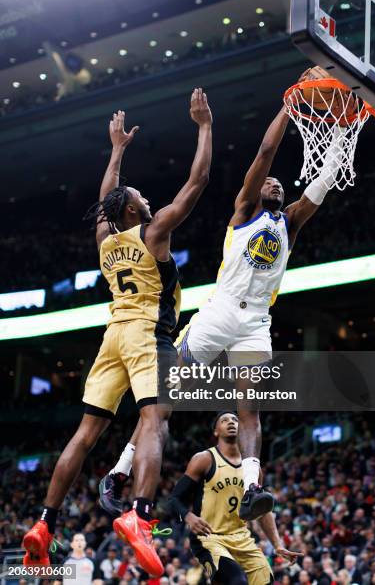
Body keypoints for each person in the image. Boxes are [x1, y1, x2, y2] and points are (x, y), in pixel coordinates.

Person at [102, 73, 344, 522]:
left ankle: (253, 487)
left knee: (249, 408)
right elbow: (266, 153)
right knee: (164, 397)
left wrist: (344, 127)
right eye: (268, 183)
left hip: (256, 323)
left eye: (279, 185)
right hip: (217, 314)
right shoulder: (243, 212)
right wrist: (290, 105)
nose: (274, 184)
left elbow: (326, 179)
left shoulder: (289, 223)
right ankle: (120, 470)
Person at [22, 88, 213, 580]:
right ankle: (141, 515)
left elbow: (104, 199)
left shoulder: (106, 238)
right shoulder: (154, 234)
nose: (147, 199)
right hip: (148, 334)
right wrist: (205, 127)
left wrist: (117, 150)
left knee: (85, 434)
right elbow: (197, 183)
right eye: (141, 198)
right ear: (132, 212)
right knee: (154, 421)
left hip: (112, 336)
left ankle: (45, 524)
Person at [168, 411, 302, 584]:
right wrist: (188, 516)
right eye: (224, 420)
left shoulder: (253, 470)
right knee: (236, 581)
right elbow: (174, 499)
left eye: (235, 420)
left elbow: (262, 510)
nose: (231, 422)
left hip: (242, 539)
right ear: (216, 431)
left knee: (266, 579)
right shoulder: (204, 459)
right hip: (209, 538)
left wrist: (277, 545)